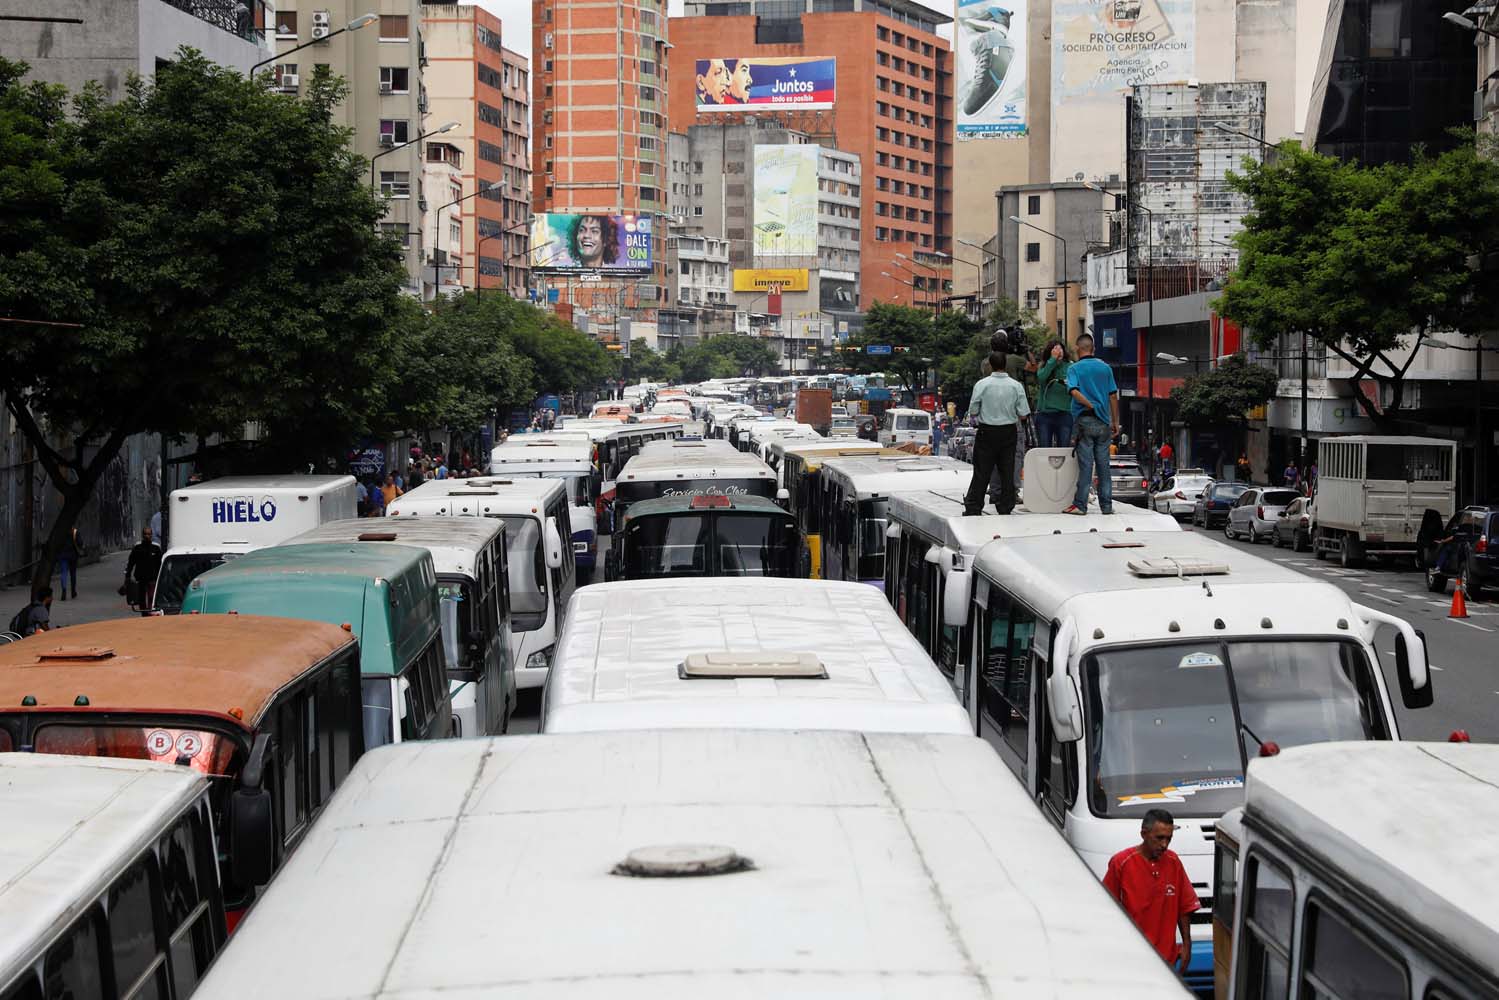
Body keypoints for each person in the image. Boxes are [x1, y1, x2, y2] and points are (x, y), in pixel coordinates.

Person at [1104, 808, 1200, 975]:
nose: (1164, 845)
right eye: (1159, 838)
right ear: (1144, 834)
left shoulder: (1173, 862)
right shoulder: (1121, 864)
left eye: (1169, 839)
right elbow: (1105, 911)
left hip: (1166, 962)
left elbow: (1184, 907)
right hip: (1131, 961)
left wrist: (1186, 945)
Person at [962, 350, 1030, 516]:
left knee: (981, 471)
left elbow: (973, 411)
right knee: (1007, 470)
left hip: (987, 431)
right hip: (1008, 431)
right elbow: (1023, 413)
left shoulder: (981, 385)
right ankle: (1006, 505)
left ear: (990, 365)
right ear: (1005, 365)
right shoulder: (1016, 386)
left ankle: (974, 506)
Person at [1063, 332, 1120, 515]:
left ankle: (1080, 504)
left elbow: (1073, 391)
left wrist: (1089, 404)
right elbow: (1113, 396)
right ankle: (1107, 505)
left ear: (1078, 349)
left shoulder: (1074, 369)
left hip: (1084, 420)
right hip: (1104, 422)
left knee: (1086, 465)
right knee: (1103, 465)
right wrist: (1115, 421)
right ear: (1093, 348)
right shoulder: (1106, 368)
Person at [1033, 339, 1073, 448]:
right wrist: (1052, 361)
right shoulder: (1044, 365)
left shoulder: (1070, 366)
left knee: (1063, 450)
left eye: (1060, 348)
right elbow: (1041, 378)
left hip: (1064, 413)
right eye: (1055, 349)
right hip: (1045, 414)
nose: (1058, 351)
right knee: (1044, 450)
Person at [123, 527, 162, 613]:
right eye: (145, 534)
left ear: (151, 535)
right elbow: (131, 562)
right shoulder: (137, 547)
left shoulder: (156, 548)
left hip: (153, 578)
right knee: (141, 598)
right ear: (142, 535)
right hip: (141, 578)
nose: (147, 536)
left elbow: (160, 564)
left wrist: (161, 577)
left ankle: (151, 612)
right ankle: (144, 613)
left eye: (149, 534)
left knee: (152, 596)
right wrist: (127, 575)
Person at [57, 526, 81, 601]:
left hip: (63, 555)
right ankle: (73, 592)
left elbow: (56, 543)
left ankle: (64, 589)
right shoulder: (75, 532)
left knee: (64, 573)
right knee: (73, 574)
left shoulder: (60, 532)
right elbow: (80, 543)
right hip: (73, 556)